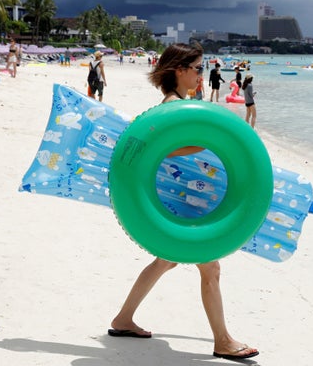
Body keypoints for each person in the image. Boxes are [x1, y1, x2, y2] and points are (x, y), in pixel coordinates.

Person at [109, 42, 259, 361]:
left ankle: (123, 319)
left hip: (178, 194)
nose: (200, 75)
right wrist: (210, 143)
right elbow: (162, 149)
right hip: (176, 196)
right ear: (180, 71)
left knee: (167, 259)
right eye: (197, 69)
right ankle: (223, 340)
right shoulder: (171, 103)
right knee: (210, 265)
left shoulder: (181, 103)